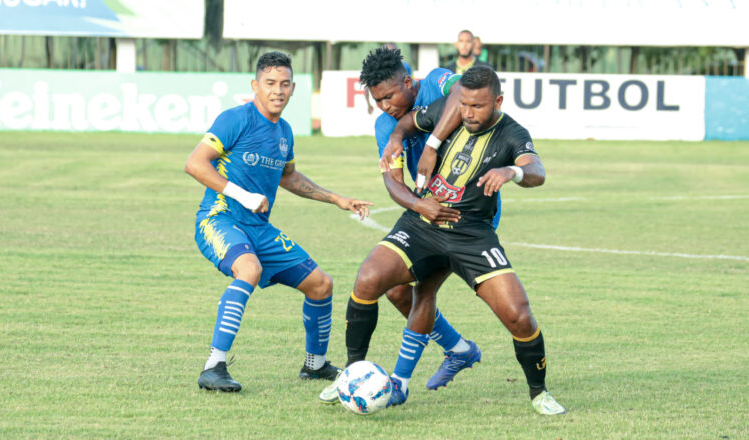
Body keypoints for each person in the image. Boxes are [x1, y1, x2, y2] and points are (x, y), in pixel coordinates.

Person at [358, 66, 566, 415]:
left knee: (517, 314)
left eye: (477, 106)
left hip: (472, 227)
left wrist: (511, 171)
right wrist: (398, 141)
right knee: (399, 290)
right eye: (464, 105)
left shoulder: (502, 126)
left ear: (497, 101)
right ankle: (423, 369)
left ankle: (537, 392)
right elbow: (402, 139)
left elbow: (537, 170)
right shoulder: (393, 123)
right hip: (427, 218)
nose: (467, 113)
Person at [185, 51, 373, 392]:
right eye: (270, 83)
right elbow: (196, 164)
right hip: (220, 218)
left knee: (321, 284)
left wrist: (336, 199)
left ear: (293, 88)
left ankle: (314, 366)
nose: (278, 91)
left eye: (285, 84)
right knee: (250, 270)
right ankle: (214, 366)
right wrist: (244, 196)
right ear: (255, 85)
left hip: (259, 229)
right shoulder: (235, 119)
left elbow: (290, 178)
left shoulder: (284, 131)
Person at [318, 47, 490, 404]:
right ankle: (357, 373)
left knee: (423, 291)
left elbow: (465, 91)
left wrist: (431, 142)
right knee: (390, 287)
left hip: (466, 213)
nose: (384, 106)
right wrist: (417, 203)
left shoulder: (438, 82)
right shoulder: (384, 125)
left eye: (389, 96)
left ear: (409, 83)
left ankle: (401, 384)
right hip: (425, 210)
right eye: (377, 100)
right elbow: (392, 181)